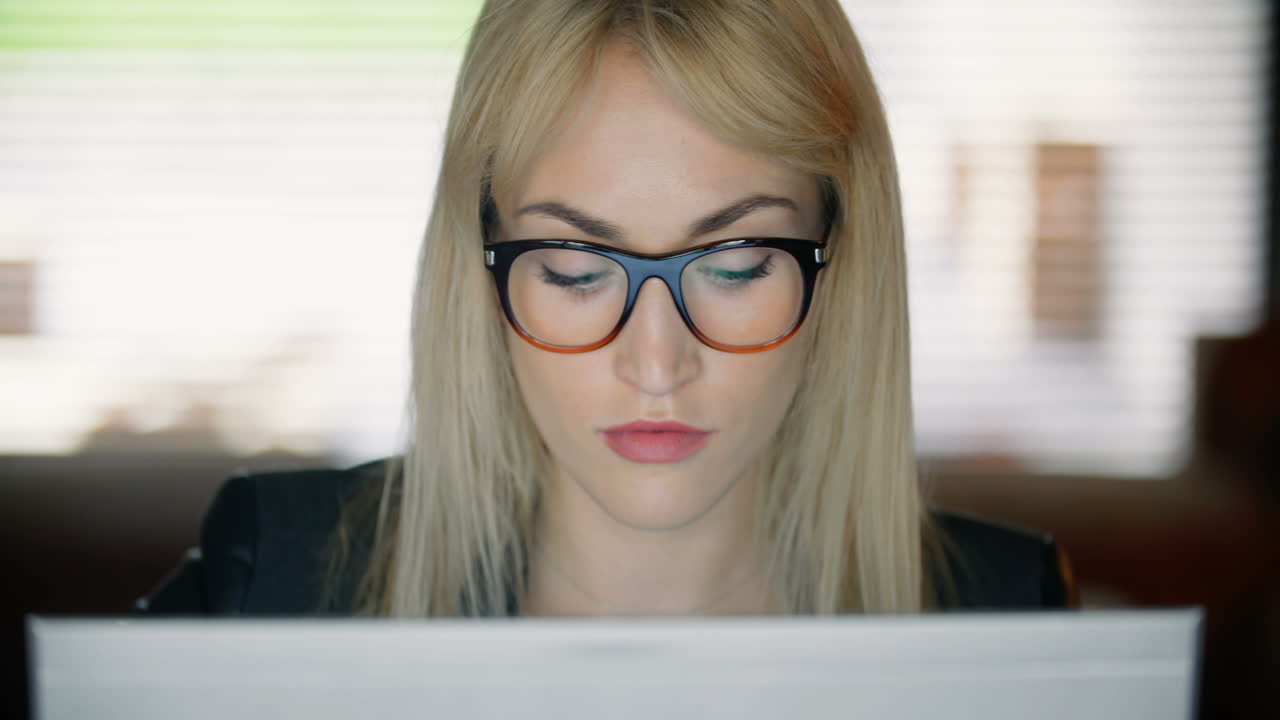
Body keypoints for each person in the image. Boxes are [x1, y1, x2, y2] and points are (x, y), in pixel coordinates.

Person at [139, 0, 1071, 618]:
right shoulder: (273, 579)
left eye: (739, 265)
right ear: (479, 265)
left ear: (843, 264)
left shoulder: (1011, 612)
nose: (656, 362)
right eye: (576, 270)